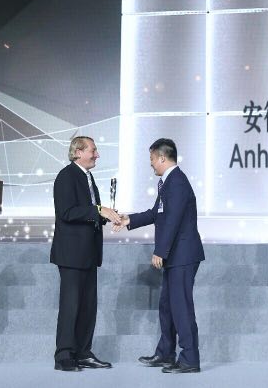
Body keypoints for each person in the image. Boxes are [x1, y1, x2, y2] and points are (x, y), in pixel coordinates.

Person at [114, 138, 205, 374]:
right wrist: (128, 220)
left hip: (183, 254)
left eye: (152, 159)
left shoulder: (177, 182)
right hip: (176, 255)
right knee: (167, 306)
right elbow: (157, 213)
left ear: (162, 158)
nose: (151, 163)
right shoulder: (168, 182)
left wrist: (160, 251)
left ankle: (190, 359)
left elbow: (173, 220)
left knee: (181, 306)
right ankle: (166, 352)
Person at [51, 136, 121, 372]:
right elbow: (66, 212)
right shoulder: (66, 176)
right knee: (71, 305)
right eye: (93, 150)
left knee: (88, 306)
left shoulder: (88, 177)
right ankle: (64, 355)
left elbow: (89, 213)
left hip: (89, 252)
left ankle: (83, 352)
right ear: (78, 152)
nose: (97, 155)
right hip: (71, 254)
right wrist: (99, 210)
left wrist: (108, 216)